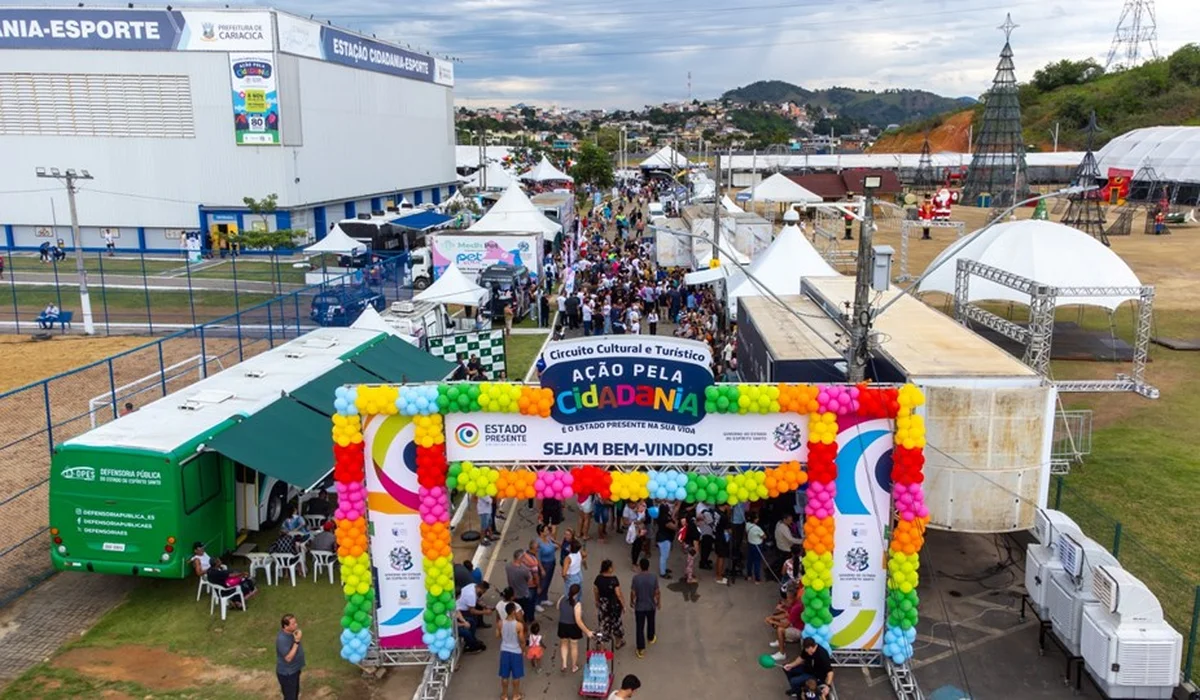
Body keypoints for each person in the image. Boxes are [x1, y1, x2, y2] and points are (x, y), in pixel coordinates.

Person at [557, 583, 594, 673]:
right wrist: (587, 631)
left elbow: (558, 607)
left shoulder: (562, 598)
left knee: (564, 644)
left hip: (562, 625)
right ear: (577, 593)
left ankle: (564, 664)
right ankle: (574, 666)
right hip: (573, 626)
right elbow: (578, 621)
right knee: (573, 646)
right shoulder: (577, 604)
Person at [630, 558, 660, 659]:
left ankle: (641, 649)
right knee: (651, 622)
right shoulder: (653, 577)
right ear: (648, 566)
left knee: (639, 627)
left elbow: (633, 592)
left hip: (640, 607)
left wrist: (632, 601)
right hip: (651, 605)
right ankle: (651, 637)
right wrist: (658, 602)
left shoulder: (636, 578)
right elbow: (657, 591)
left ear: (640, 567)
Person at [593, 559, 626, 649]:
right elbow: (618, 594)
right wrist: (623, 605)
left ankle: (601, 646)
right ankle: (618, 643)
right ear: (609, 569)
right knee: (616, 623)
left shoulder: (598, 579)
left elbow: (596, 591)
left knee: (602, 625)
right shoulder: (613, 580)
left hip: (603, 604)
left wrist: (597, 601)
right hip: (613, 605)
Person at [497, 601, 526, 700]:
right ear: (513, 611)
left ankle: (504, 695)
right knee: (516, 675)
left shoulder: (500, 623)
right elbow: (522, 640)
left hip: (504, 650)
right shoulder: (518, 625)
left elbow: (497, 636)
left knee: (504, 675)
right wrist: (524, 649)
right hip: (516, 651)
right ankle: (516, 695)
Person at [276, 614, 305, 700]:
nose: (296, 625)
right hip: (287, 674)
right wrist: (296, 642)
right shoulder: (282, 639)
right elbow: (288, 658)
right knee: (290, 697)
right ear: (285, 626)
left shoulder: (292, 633)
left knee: (295, 694)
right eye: (293, 624)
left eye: (295, 622)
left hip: (294, 670)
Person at [506, 549, 535, 625]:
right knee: (524, 611)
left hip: (513, 593)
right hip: (523, 594)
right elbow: (530, 581)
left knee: (515, 610)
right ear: (521, 558)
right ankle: (523, 624)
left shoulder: (508, 566)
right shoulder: (524, 570)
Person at [535, 524, 558, 608]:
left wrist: (554, 543)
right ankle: (537, 602)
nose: (548, 531)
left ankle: (544, 598)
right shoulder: (538, 543)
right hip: (544, 564)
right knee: (542, 583)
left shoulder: (549, 539)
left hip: (551, 562)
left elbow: (556, 546)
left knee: (548, 582)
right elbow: (538, 558)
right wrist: (541, 569)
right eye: (546, 530)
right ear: (541, 532)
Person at [654, 504, 676, 578]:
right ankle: (662, 573)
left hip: (662, 537)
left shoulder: (661, 516)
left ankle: (664, 568)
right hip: (664, 539)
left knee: (665, 556)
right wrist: (676, 521)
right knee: (664, 556)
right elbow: (674, 527)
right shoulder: (665, 519)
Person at [745, 511, 766, 583]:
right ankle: (757, 579)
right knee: (757, 562)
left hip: (750, 544)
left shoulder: (747, 524)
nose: (758, 519)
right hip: (757, 546)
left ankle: (749, 576)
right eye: (757, 518)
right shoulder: (757, 528)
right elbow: (764, 536)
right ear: (754, 519)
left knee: (749, 561)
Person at [713, 503, 731, 585]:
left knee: (718, 555)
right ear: (725, 505)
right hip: (722, 538)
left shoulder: (716, 512)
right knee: (721, 557)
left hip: (716, 535)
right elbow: (728, 529)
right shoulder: (724, 517)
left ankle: (718, 573)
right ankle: (719, 577)